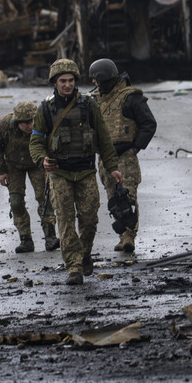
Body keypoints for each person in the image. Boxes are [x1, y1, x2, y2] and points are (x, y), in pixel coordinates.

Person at [29, 58, 123, 285]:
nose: (67, 85)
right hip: (59, 173)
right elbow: (36, 142)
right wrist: (42, 160)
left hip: (85, 172)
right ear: (55, 82)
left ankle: (85, 253)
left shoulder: (89, 105)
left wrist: (113, 168)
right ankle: (74, 266)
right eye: (63, 81)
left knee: (89, 220)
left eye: (71, 80)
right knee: (65, 222)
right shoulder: (45, 108)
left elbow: (103, 139)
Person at [89, 58, 157, 253]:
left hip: (125, 156)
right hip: (105, 158)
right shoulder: (96, 99)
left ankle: (129, 236)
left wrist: (135, 148)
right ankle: (122, 236)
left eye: (97, 80)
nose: (94, 83)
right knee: (114, 200)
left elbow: (148, 124)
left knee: (127, 198)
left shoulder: (130, 98)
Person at [0, 101, 59, 253]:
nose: (30, 126)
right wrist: (1, 171)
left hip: (38, 163)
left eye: (32, 121)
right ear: (17, 122)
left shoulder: (44, 123)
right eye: (26, 123)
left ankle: (50, 236)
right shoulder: (3, 125)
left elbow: (53, 143)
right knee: (16, 201)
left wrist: (50, 164)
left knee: (45, 198)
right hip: (13, 164)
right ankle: (25, 239)